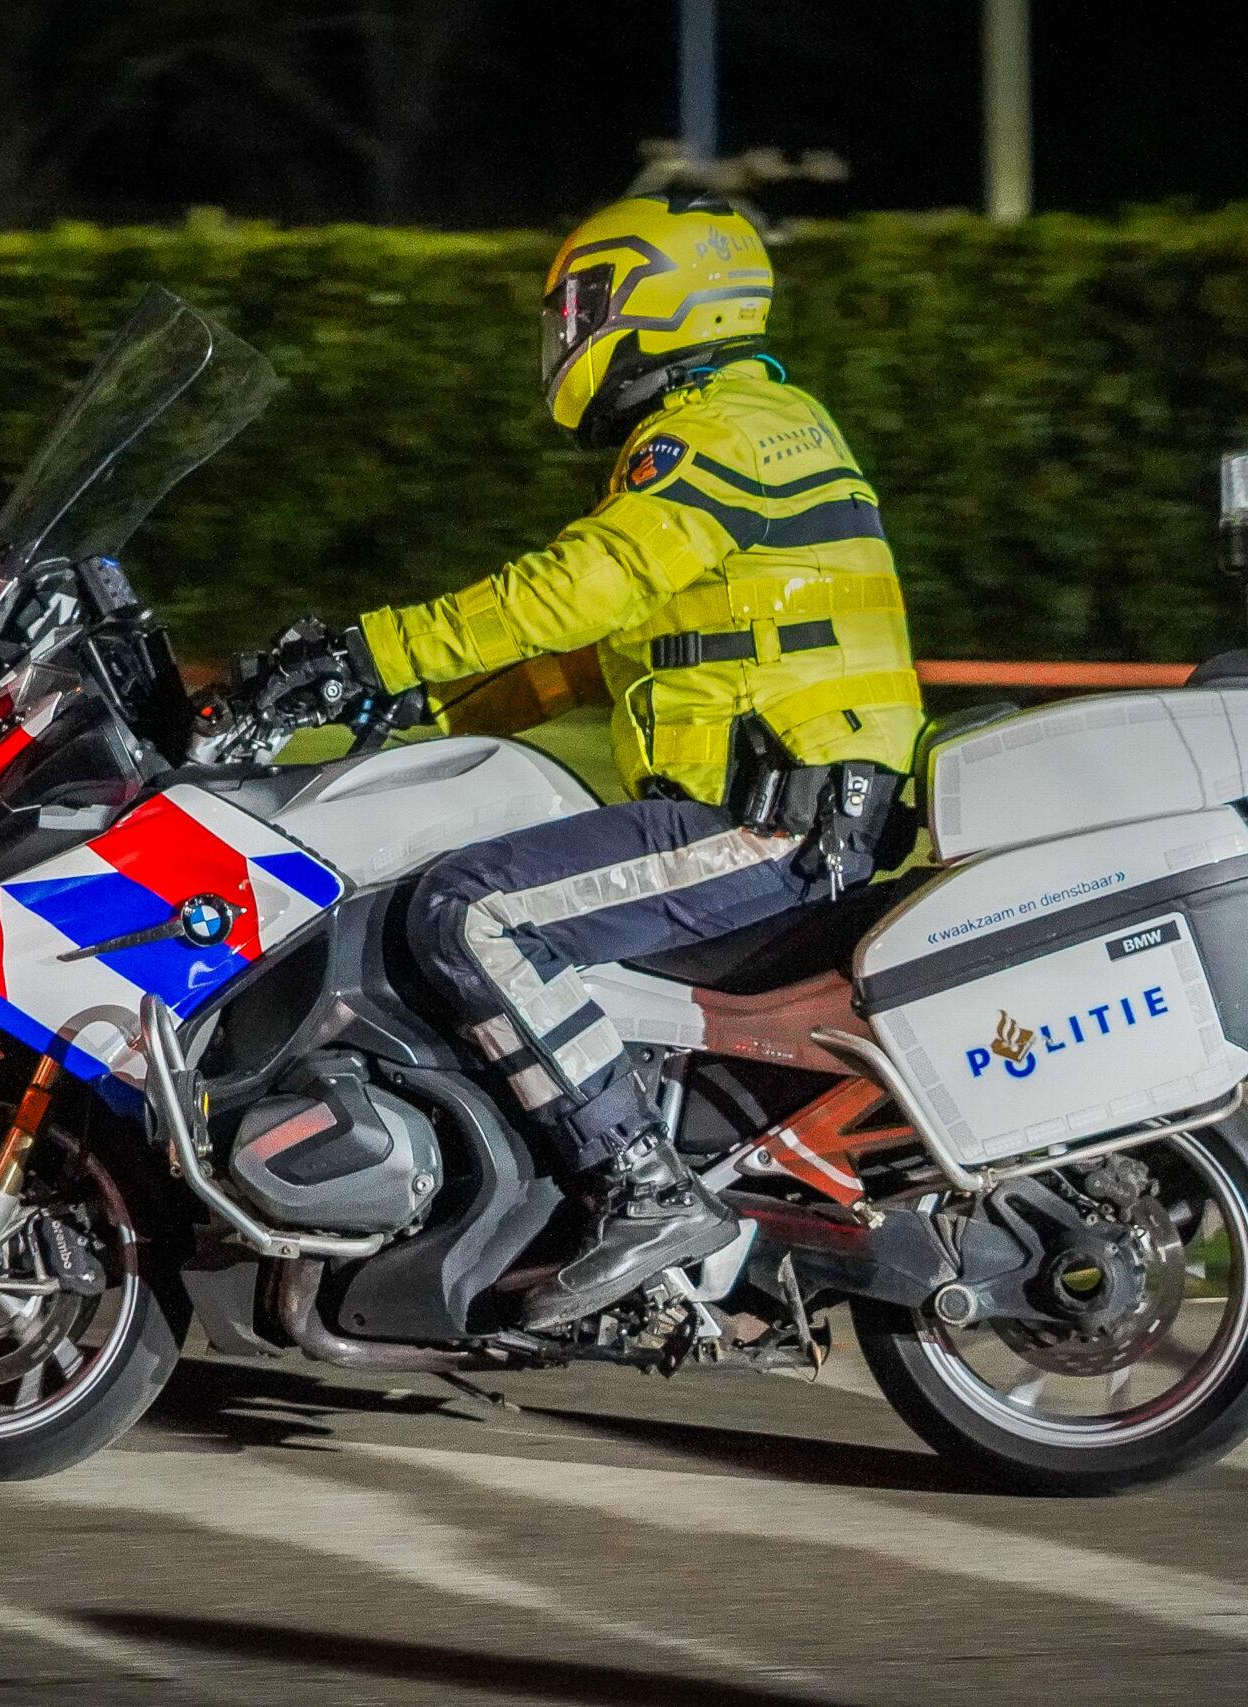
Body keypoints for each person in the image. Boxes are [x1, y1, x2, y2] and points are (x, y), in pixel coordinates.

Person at [285, 192, 924, 1329]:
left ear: (654, 303)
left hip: (771, 816)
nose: (566, 334)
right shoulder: (760, 426)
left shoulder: (710, 437)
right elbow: (591, 652)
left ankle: (636, 1183)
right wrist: (411, 712)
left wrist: (368, 649)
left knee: (469, 913)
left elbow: (578, 586)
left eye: (582, 305)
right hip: (799, 803)